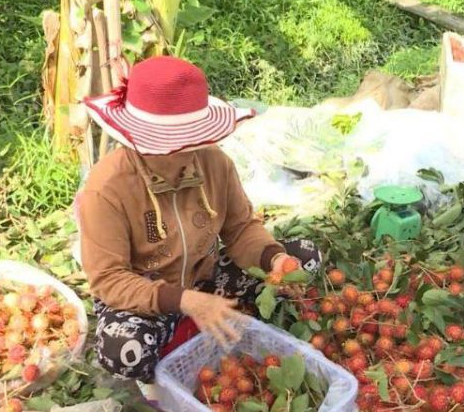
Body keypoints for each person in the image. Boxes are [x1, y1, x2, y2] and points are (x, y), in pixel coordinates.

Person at [78, 56, 322, 382]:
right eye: (174, 144)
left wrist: (273, 258)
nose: (188, 152)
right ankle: (175, 350)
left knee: (304, 256)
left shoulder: (215, 164)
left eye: (192, 140)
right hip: (146, 297)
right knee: (123, 350)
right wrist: (184, 301)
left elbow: (240, 229)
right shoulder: (107, 188)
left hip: (205, 276)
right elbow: (108, 279)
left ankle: (214, 323)